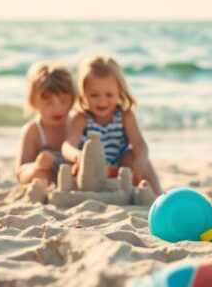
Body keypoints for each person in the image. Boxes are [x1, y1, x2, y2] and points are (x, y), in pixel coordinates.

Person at [62, 55, 161, 194]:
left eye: (109, 95)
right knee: (76, 170)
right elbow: (67, 146)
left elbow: (140, 144)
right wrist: (78, 156)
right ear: (83, 93)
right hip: (91, 169)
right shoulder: (81, 119)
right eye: (94, 95)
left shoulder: (125, 117)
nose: (102, 101)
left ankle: (158, 194)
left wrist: (141, 159)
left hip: (119, 170)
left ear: (119, 92)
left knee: (133, 155)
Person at [15, 61, 75, 184]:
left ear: (73, 99)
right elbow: (20, 173)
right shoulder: (34, 131)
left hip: (74, 178)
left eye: (63, 101)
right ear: (33, 102)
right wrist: (37, 166)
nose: (57, 108)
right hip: (49, 179)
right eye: (48, 103)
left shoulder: (76, 123)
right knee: (41, 174)